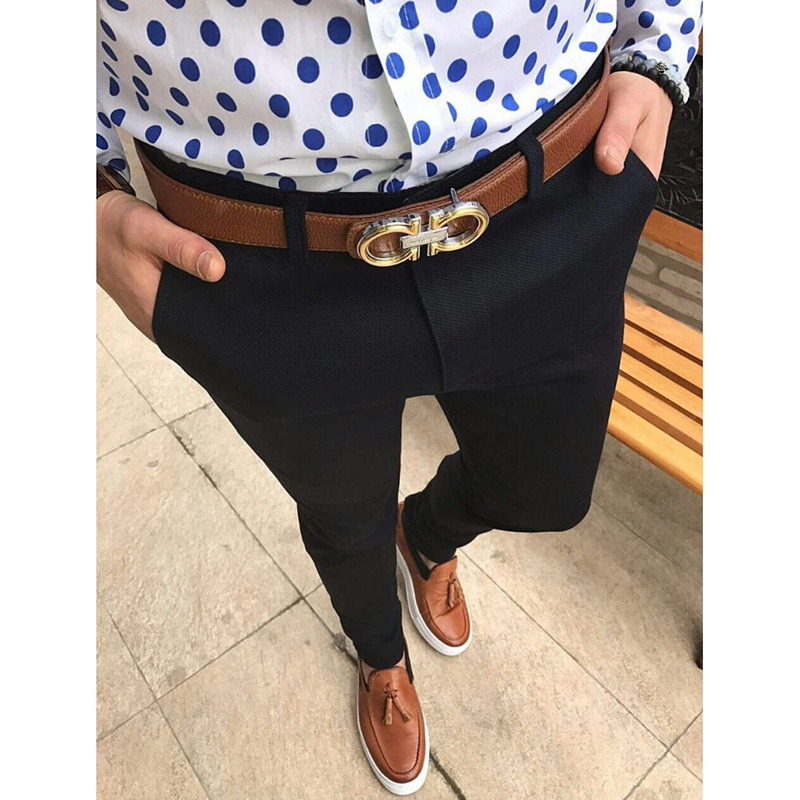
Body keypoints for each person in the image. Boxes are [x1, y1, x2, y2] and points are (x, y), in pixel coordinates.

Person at [96, 1, 701, 794]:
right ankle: (380, 655)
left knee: (546, 490)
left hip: (548, 191)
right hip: (258, 261)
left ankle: (426, 533)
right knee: (343, 515)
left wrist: (658, 48)